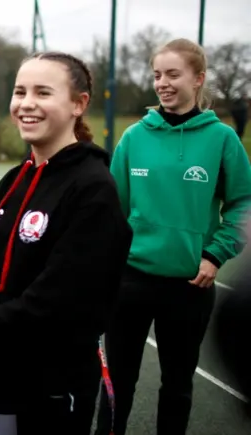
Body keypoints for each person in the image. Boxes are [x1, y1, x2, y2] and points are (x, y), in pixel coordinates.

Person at [0, 51, 133, 435]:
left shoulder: (93, 190)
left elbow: (58, 303)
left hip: (52, 387)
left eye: (43, 92)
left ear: (78, 104)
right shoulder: (12, 180)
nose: (26, 103)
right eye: (20, 91)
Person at [94, 38, 251, 435]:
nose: (162, 83)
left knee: (178, 387)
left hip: (190, 283)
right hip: (130, 281)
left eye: (172, 74)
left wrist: (216, 255)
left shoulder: (222, 140)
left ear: (197, 79)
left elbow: (242, 203)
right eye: (157, 75)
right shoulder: (134, 137)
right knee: (118, 385)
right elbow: (113, 211)